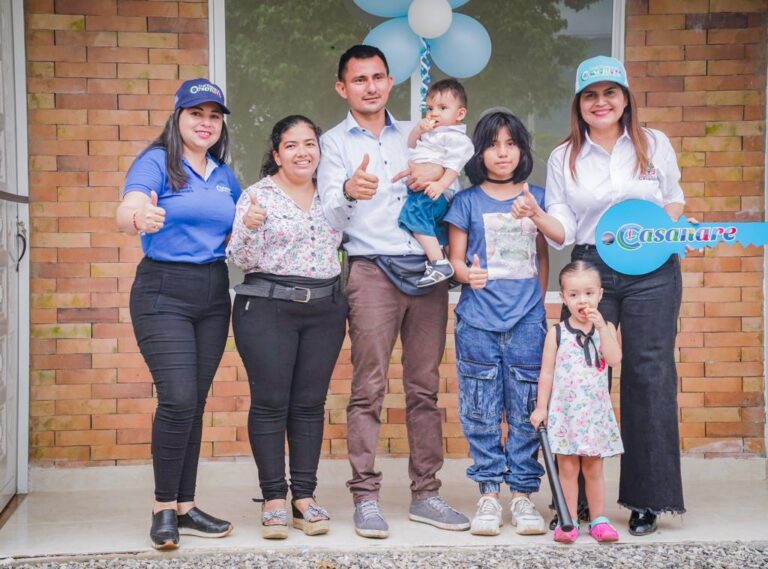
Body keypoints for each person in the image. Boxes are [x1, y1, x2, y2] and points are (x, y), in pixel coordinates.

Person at [512, 55, 686, 536]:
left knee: (648, 374)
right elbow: (563, 224)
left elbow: (674, 200)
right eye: (591, 95)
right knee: (582, 375)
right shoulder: (565, 156)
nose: (601, 102)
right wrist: (536, 215)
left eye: (610, 92)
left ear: (626, 98)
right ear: (579, 104)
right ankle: (578, 500)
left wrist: (662, 228)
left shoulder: (655, 145)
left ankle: (647, 499)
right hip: (593, 269)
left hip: (653, 268)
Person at [317, 44, 470, 538]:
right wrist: (347, 192)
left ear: (389, 81)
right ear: (343, 87)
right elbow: (326, 213)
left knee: (424, 387)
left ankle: (426, 493)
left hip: (427, 271)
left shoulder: (419, 128)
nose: (371, 86)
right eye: (359, 79)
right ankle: (365, 497)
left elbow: (457, 186)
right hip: (372, 271)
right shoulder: (333, 142)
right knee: (369, 388)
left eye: (378, 77)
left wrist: (438, 176)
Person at [115, 78, 240, 550]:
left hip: (212, 291)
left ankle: (186, 507)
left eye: (214, 116)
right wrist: (136, 218)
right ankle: (162, 508)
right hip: (162, 290)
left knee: (195, 402)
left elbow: (240, 226)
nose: (205, 123)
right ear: (178, 117)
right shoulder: (157, 162)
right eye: (196, 114)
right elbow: (128, 207)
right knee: (178, 397)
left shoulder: (225, 175)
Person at [227, 115, 348, 539]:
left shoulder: (333, 195)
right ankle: (274, 498)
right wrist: (249, 226)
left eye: (310, 143)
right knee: (271, 402)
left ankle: (305, 498)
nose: (303, 152)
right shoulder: (257, 196)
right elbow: (239, 258)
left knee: (310, 403)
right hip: (266, 308)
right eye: (292, 145)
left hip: (326, 309)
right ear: (276, 154)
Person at [444, 109, 549, 537]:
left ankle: (523, 496)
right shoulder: (466, 201)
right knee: (481, 411)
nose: (502, 153)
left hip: (527, 321)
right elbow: (454, 261)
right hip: (477, 321)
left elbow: (545, 253)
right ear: (479, 152)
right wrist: (467, 274)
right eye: (492, 144)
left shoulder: (536, 195)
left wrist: (536, 304)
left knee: (526, 412)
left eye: (510, 143)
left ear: (522, 149)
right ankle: (488, 494)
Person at [531, 261, 623, 543]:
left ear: (600, 294)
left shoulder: (604, 327)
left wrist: (602, 328)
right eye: (573, 294)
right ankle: (567, 520)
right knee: (567, 469)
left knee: (593, 467)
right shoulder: (557, 333)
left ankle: (599, 520)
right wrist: (541, 407)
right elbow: (547, 373)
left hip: (593, 413)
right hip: (566, 413)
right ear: (563, 298)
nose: (581, 300)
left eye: (588, 293)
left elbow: (615, 359)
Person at [398, 78, 474, 287]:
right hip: (425, 188)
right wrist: (418, 130)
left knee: (413, 216)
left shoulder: (456, 139)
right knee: (436, 229)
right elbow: (411, 146)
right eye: (430, 108)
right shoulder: (432, 133)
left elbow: (454, 167)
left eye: (442, 108)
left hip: (434, 190)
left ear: (459, 114)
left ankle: (439, 263)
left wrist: (440, 185)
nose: (434, 113)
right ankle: (447, 265)